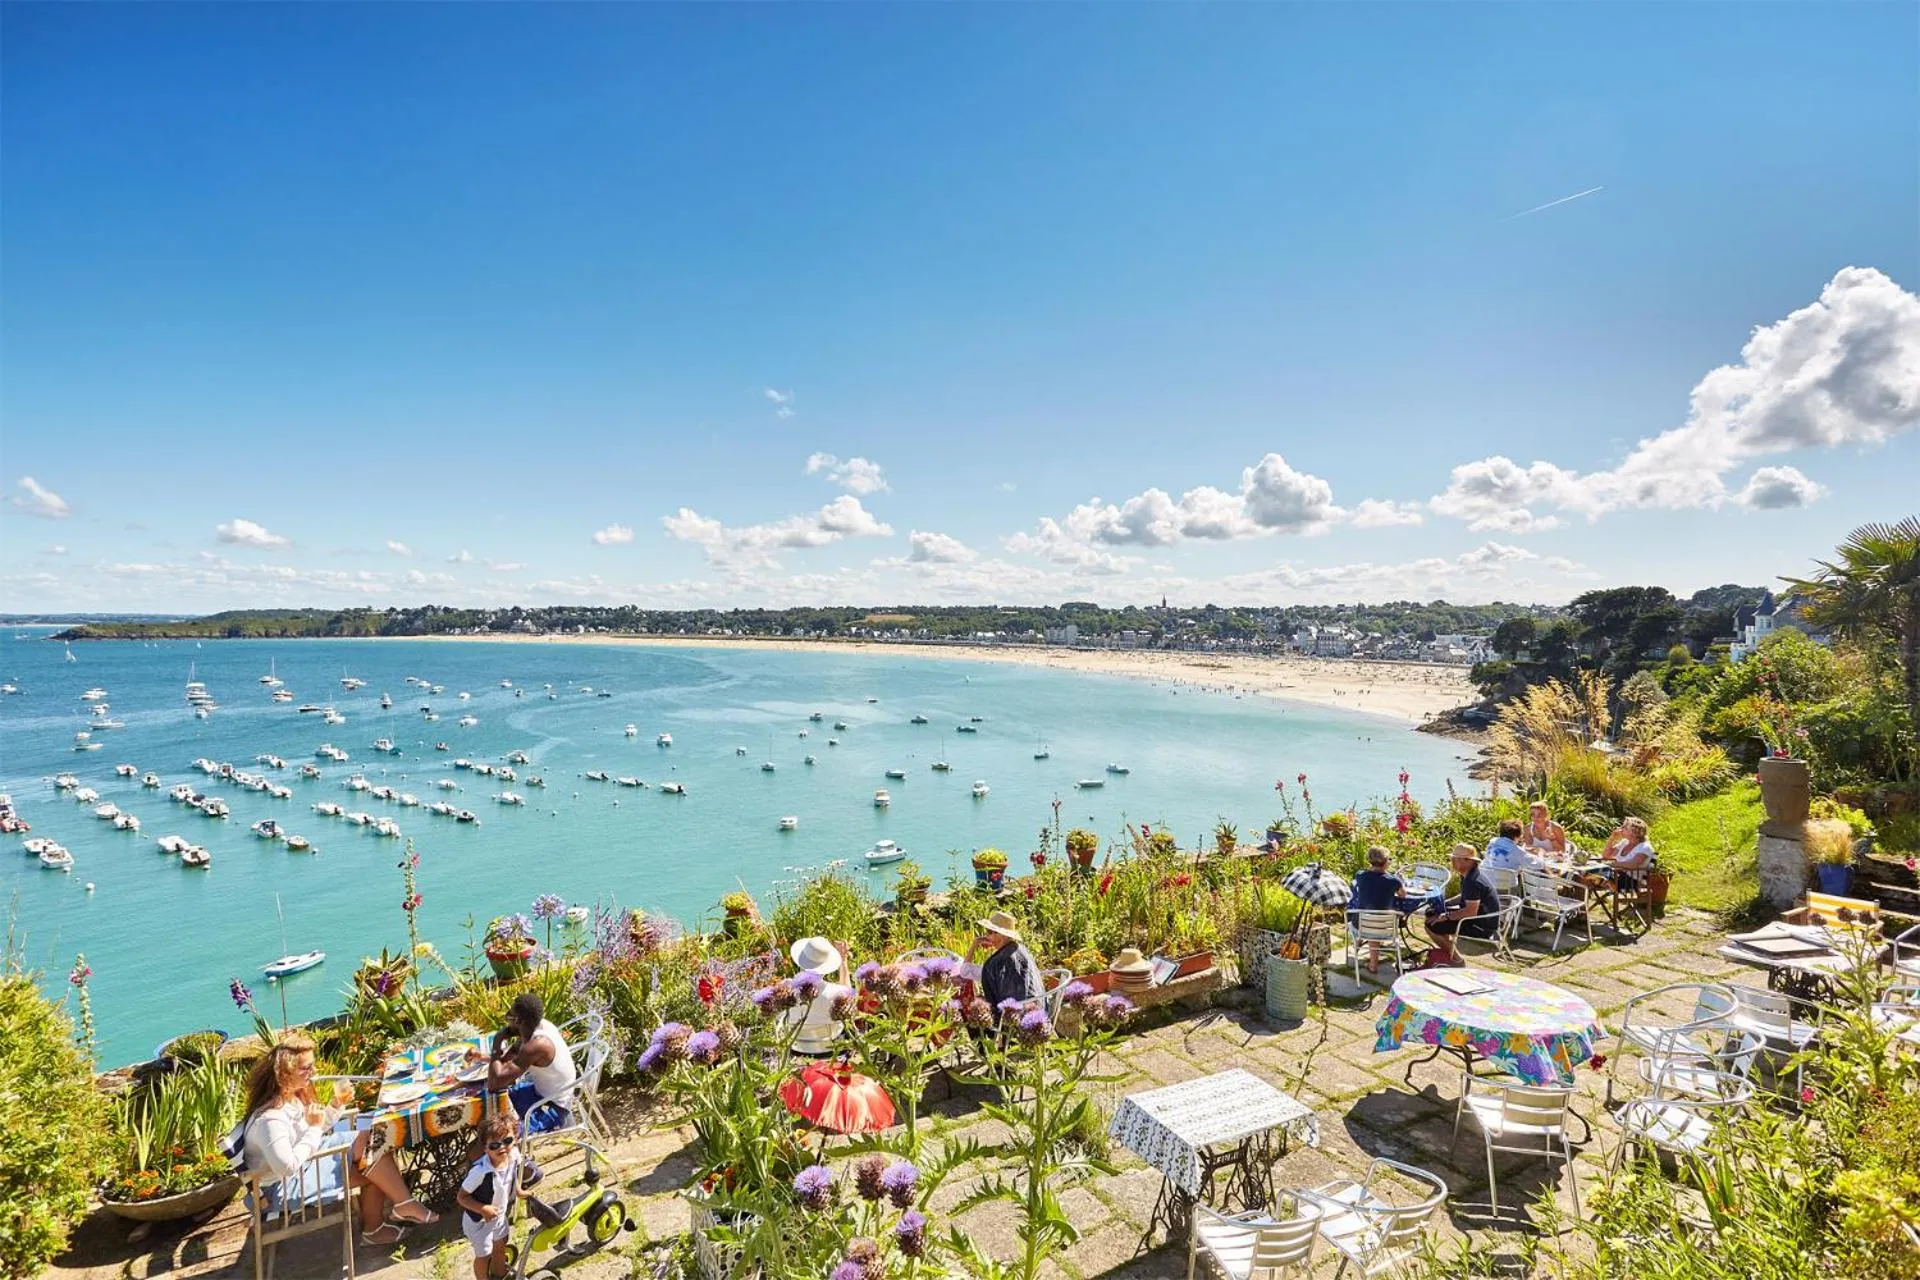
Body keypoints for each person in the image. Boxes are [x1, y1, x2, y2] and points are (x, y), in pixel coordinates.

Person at [240, 1032, 438, 1246]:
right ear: (285, 1073)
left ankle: (401, 1205)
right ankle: (380, 1224)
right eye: (306, 1068)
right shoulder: (271, 1120)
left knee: (375, 1140)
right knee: (374, 1168)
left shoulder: (289, 1098)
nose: (313, 1072)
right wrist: (314, 1128)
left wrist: (335, 1106)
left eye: (312, 1066)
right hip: (283, 1186)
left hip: (307, 1161)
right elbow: (286, 1167)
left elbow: (309, 1133)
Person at [483, 992, 578, 1135]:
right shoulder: (537, 1028)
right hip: (542, 1093)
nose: (506, 1019)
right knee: (490, 1102)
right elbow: (506, 1062)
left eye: (509, 1016)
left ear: (519, 1021)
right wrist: (491, 1058)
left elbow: (495, 1083)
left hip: (553, 1109)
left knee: (500, 1132)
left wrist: (497, 1041)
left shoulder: (537, 1045)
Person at [456, 1115, 524, 1280]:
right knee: (484, 1255)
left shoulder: (513, 1155)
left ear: (515, 1139)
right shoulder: (480, 1172)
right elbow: (462, 1197)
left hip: (498, 1215)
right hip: (478, 1222)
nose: (502, 1148)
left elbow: (511, 1176)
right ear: (485, 1149)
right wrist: (482, 1208)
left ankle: (499, 1274)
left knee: (501, 1245)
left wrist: (518, 1191)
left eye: (507, 1141)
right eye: (494, 1145)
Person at [1421, 843, 1500, 968]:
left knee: (1431, 925)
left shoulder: (1473, 881)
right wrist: (1445, 904)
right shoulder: (1469, 874)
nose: (1452, 861)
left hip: (1481, 925)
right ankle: (1448, 951)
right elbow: (1465, 897)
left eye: (1455, 859)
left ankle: (1457, 960)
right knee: (1431, 912)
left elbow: (1470, 912)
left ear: (1467, 861)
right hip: (1478, 917)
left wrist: (1446, 916)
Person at [784, 936, 855, 1055]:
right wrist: (843, 961)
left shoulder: (786, 988)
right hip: (831, 1050)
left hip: (796, 1050)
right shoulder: (835, 992)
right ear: (827, 964)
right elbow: (848, 995)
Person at [1346, 846, 1406, 974]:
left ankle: (1360, 941)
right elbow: (1403, 895)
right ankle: (1373, 965)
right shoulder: (1393, 881)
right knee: (1376, 920)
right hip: (1385, 925)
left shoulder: (1360, 876)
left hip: (1361, 923)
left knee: (1368, 914)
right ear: (1385, 862)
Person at [966, 910, 1043, 1009]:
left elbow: (965, 971)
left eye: (989, 932)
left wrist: (974, 945)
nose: (987, 937)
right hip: (1038, 1007)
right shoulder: (1019, 950)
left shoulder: (999, 962)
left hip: (1018, 1015)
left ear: (1001, 935)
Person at [1601, 816, 1657, 888]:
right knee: (1587, 871)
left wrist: (1611, 864)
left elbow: (1632, 865)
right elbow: (1606, 856)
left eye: (1624, 827)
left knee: (1590, 874)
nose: (1620, 829)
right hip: (1616, 874)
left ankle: (1585, 892)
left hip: (1629, 881)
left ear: (1633, 832)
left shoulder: (1645, 847)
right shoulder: (1625, 842)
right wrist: (1611, 839)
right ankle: (1584, 894)